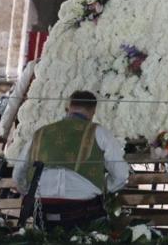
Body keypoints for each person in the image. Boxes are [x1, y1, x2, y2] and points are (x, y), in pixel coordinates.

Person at [14, 90, 129, 230]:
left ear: (68, 107)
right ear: (93, 111)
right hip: (82, 212)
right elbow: (121, 174)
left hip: (42, 210)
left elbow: (18, 172)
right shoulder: (98, 131)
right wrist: (105, 188)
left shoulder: (40, 133)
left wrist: (27, 191)